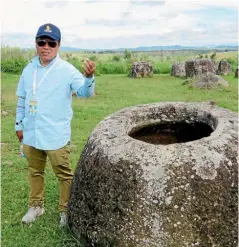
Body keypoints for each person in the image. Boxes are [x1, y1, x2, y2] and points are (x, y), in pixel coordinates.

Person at [15, 23, 95, 227]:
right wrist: (19, 125)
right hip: (32, 133)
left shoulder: (67, 70)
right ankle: (36, 206)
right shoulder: (28, 69)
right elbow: (22, 100)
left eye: (51, 43)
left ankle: (65, 211)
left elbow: (85, 93)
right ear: (36, 44)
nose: (46, 46)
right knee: (35, 171)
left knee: (64, 174)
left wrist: (88, 78)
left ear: (58, 45)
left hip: (55, 135)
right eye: (42, 42)